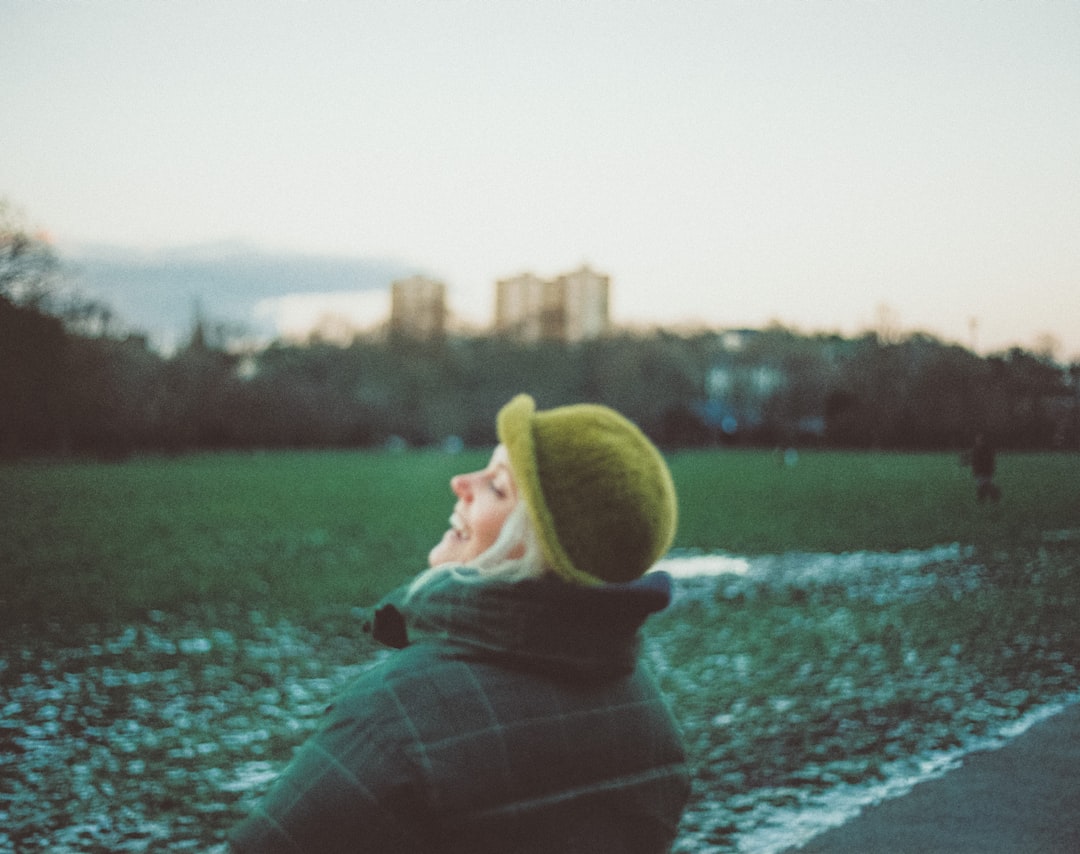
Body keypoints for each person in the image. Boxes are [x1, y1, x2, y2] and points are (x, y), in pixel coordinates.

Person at [229, 394, 691, 853]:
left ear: (536, 546)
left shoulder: (395, 716)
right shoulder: (650, 719)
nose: (460, 481)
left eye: (497, 486)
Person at [970, 433, 1001, 502]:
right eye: (977, 440)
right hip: (980, 471)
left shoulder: (986, 449)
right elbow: (974, 461)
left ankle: (987, 497)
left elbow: (990, 460)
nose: (977, 441)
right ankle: (986, 498)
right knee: (982, 485)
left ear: (982, 441)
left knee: (984, 485)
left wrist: (991, 469)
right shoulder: (975, 449)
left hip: (985, 471)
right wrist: (974, 469)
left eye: (979, 440)